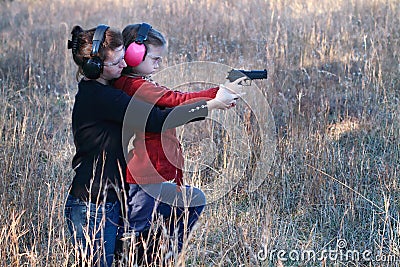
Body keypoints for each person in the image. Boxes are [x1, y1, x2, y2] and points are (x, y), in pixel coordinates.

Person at [64, 24, 243, 267]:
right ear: (94, 66)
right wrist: (210, 105)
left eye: (124, 58)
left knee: (190, 202)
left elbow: (160, 105)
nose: (124, 65)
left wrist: (213, 95)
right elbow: (158, 120)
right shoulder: (102, 98)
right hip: (93, 206)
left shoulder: (111, 89)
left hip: (113, 198)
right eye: (117, 62)